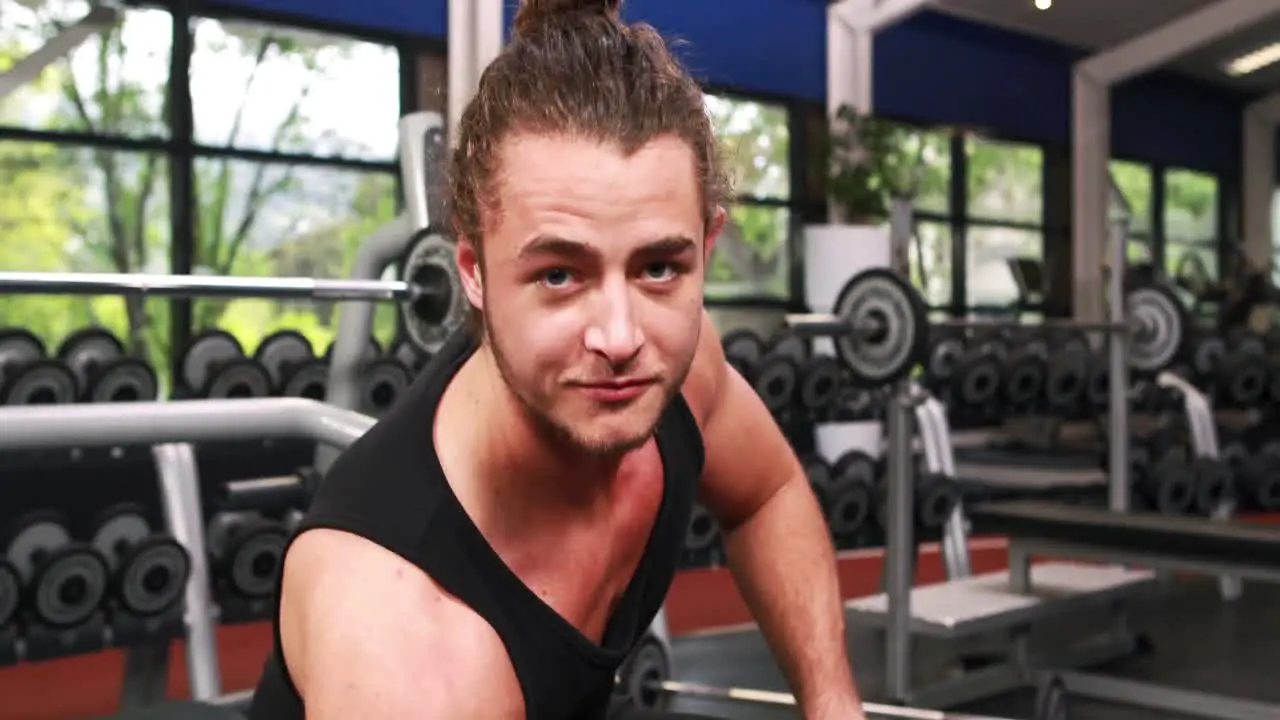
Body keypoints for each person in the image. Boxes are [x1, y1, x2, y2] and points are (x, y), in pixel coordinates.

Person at [247, 1, 866, 718]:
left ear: (708, 246)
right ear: (473, 272)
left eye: (660, 267)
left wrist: (832, 706)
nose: (619, 336)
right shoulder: (407, 640)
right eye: (559, 276)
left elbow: (767, 495)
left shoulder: (683, 377)